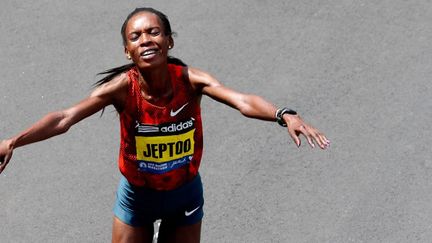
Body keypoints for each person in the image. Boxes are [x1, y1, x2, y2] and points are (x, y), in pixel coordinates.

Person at [0, 7, 330, 243]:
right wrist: (13, 141)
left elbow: (243, 101)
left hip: (184, 196)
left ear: (169, 41)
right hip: (136, 198)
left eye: (154, 32)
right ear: (127, 50)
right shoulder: (120, 89)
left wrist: (284, 114)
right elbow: (64, 118)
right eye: (136, 35)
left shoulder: (192, 81)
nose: (146, 39)